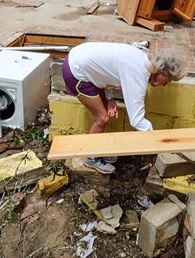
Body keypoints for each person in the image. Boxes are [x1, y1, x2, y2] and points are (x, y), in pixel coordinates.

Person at [62, 42, 184, 174]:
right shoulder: (138, 74)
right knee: (102, 118)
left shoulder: (142, 57)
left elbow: (105, 71)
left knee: (104, 115)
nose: (166, 85)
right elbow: (136, 119)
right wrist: (158, 139)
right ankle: (90, 158)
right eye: (169, 80)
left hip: (80, 58)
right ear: (161, 72)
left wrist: (109, 99)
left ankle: (95, 150)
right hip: (76, 71)